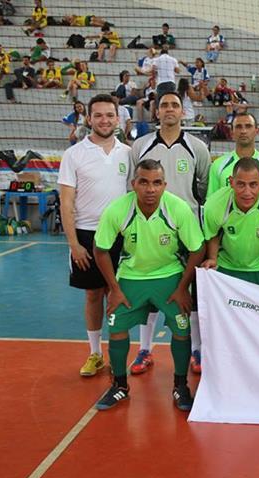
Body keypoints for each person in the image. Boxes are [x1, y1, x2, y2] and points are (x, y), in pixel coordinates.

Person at [93, 159, 204, 411]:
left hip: (170, 277)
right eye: (144, 182)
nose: (150, 189)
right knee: (117, 327)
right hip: (131, 278)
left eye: (156, 183)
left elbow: (197, 250)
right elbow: (100, 250)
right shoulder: (117, 209)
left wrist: (182, 287)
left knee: (181, 329)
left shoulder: (178, 209)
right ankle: (119, 386)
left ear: (165, 185)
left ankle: (180, 386)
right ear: (134, 184)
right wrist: (114, 289)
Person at [129, 90, 211, 375]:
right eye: (164, 105)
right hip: (150, 230)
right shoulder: (140, 146)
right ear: (156, 111)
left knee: (193, 294)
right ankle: (144, 349)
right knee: (149, 291)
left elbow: (203, 188)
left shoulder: (197, 148)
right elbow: (133, 187)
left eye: (175, 105)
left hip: (188, 232)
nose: (169, 109)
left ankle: (197, 349)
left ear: (183, 111)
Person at [57, 94, 131, 378]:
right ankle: (95, 353)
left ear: (118, 118)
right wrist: (73, 243)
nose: (104, 120)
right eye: (98, 115)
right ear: (89, 118)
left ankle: (119, 353)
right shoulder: (74, 154)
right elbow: (66, 202)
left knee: (120, 294)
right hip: (87, 234)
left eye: (109, 115)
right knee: (92, 294)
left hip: (122, 235)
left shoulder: (127, 152)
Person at [202, 157, 259, 292]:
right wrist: (212, 258)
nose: (247, 192)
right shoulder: (214, 204)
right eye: (241, 184)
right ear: (231, 182)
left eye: (253, 184)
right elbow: (213, 235)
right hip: (227, 266)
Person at [208, 113, 259, 196]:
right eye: (239, 127)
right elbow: (211, 201)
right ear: (232, 132)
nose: (243, 131)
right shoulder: (218, 166)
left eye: (248, 126)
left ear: (257, 131)